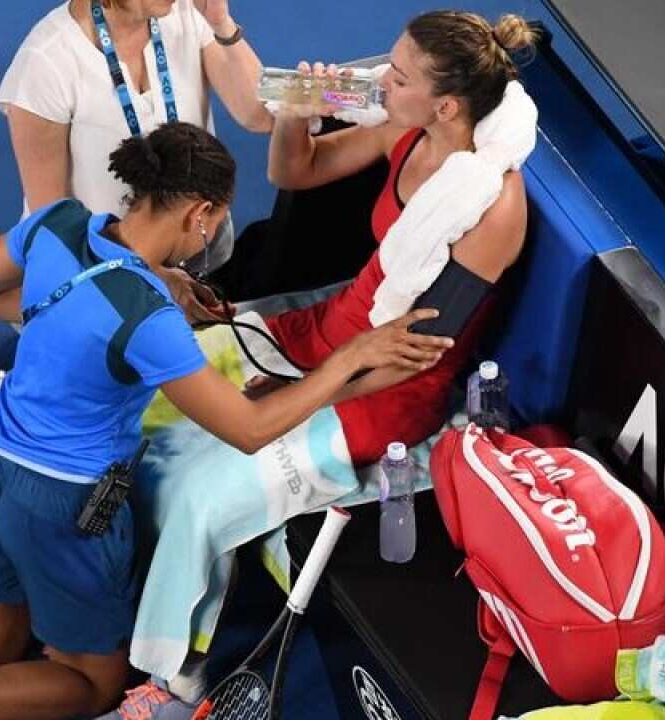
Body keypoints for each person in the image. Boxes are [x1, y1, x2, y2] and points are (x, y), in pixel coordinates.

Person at [0, 123, 450, 720]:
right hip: (66, 506)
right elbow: (248, 429)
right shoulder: (147, 319)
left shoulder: (61, 223)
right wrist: (350, 357)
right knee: (89, 681)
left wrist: (96, 323)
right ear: (199, 213)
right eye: (218, 218)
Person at [100, 10, 540, 719]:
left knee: (200, 498)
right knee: (150, 394)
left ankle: (172, 682)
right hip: (327, 331)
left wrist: (304, 389)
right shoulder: (406, 123)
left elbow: (418, 352)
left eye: (397, 76)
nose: (378, 80)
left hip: (385, 389)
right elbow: (292, 170)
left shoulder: (493, 209)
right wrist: (297, 110)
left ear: (447, 103)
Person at [0, 0, 272, 275]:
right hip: (101, 270)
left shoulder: (186, 13)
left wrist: (221, 23)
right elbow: (51, 220)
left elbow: (260, 116)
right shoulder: (46, 61)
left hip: (199, 254)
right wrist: (149, 276)